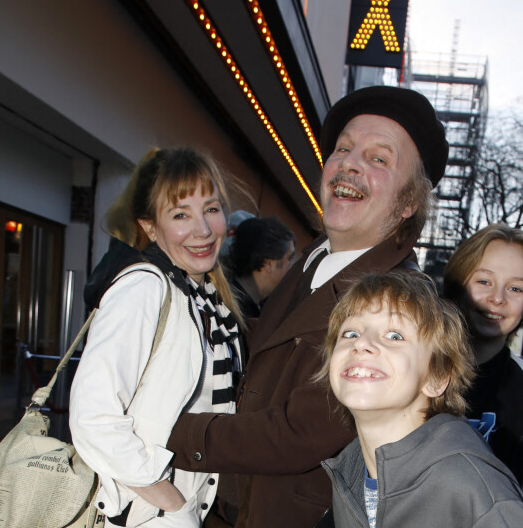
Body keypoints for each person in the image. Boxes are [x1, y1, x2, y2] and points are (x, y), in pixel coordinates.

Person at [166, 85, 449, 527]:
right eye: (343, 148)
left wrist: (166, 430)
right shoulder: (318, 255)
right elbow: (277, 344)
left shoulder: (401, 299)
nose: (350, 164)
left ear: (409, 202)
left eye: (379, 158)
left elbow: (296, 434)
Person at [69, 147, 245, 528]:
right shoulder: (144, 289)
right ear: (150, 227)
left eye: (211, 209)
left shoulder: (204, 299)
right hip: (145, 513)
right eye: (181, 214)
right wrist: (171, 500)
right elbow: (94, 416)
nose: (203, 229)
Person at [317, 271, 523, 528]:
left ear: (436, 378)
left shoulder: (471, 488)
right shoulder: (350, 470)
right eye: (350, 334)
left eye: (394, 336)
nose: (362, 344)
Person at [444, 223, 523, 485]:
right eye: (484, 281)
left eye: (516, 288)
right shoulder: (414, 365)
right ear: (459, 283)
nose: (497, 298)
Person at [225, 216, 295, 320]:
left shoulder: (262, 310)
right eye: (289, 258)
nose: (291, 267)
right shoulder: (227, 309)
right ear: (269, 263)